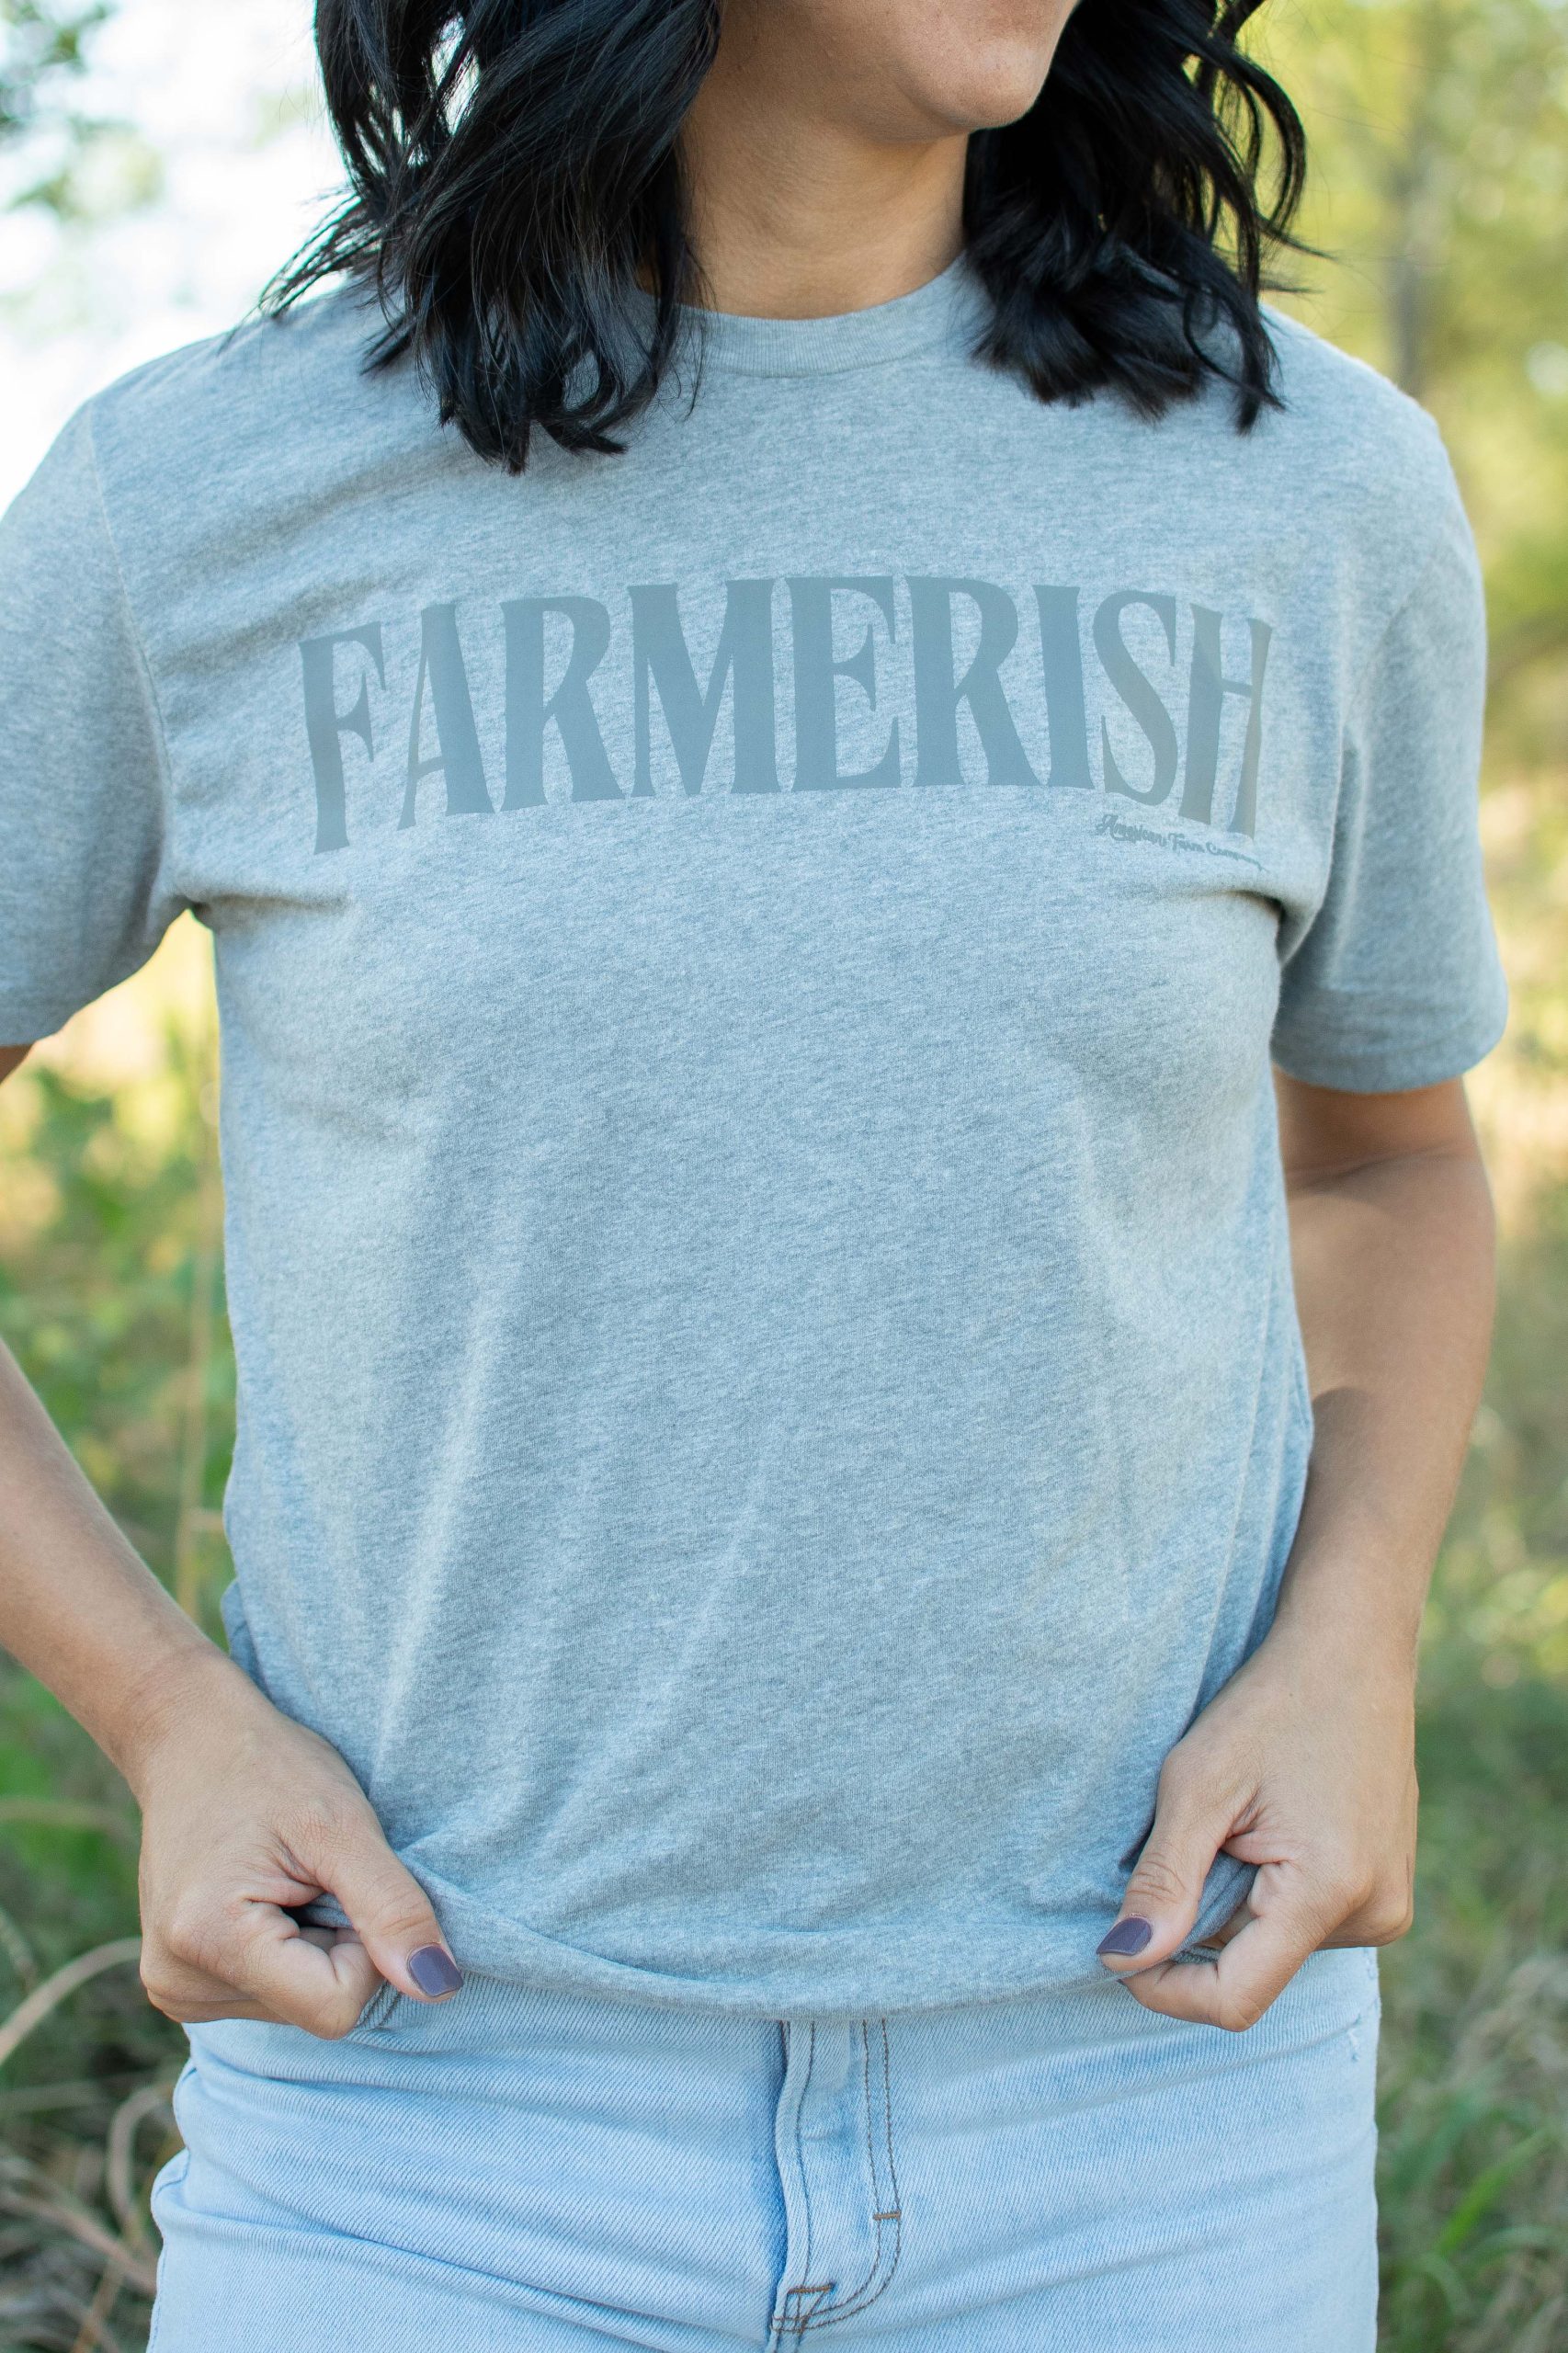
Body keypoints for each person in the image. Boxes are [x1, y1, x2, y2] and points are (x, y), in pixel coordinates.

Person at [0, 0, 1509, 2346]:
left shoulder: (1304, 485)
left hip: (1150, 2093)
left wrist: (1354, 1635)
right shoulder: (202, 494)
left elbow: (1390, 1163)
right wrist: (165, 1710)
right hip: (422, 2096)